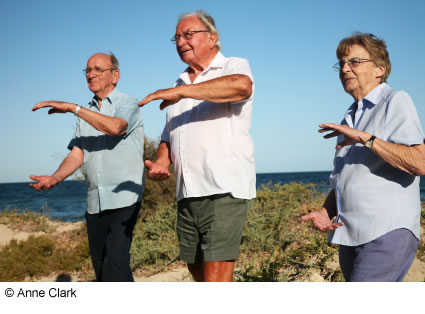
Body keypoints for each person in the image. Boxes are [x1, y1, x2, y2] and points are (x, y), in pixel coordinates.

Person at [138, 10, 256, 282]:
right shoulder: (178, 83)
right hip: (186, 193)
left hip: (224, 189)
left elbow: (241, 87)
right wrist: (160, 163)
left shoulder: (233, 66)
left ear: (212, 38)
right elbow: (169, 136)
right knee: (198, 274)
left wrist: (181, 92)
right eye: (177, 37)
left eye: (188, 34)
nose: (181, 41)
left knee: (216, 278)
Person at [302, 32, 425, 281]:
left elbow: (419, 162)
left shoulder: (395, 100)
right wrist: (326, 211)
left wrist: (365, 138)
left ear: (380, 68)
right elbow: (348, 177)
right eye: (341, 63)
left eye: (354, 62)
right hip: (350, 235)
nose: (345, 69)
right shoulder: (348, 117)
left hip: (387, 229)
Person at [30, 52, 144, 282]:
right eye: (88, 70)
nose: (91, 74)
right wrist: (55, 178)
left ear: (115, 75)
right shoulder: (86, 113)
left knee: (116, 266)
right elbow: (77, 154)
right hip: (95, 202)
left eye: (98, 69)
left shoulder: (127, 102)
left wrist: (75, 108)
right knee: (102, 270)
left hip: (124, 200)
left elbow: (116, 128)